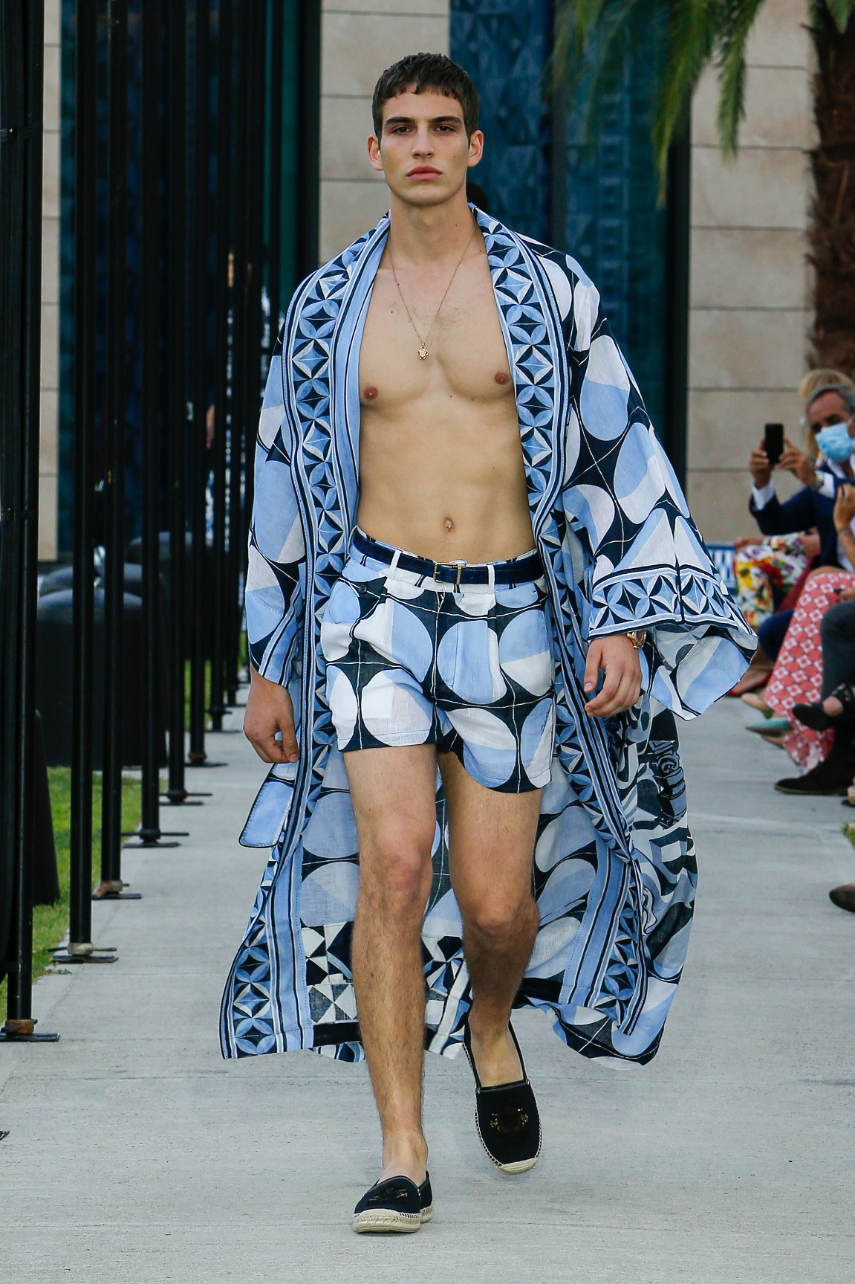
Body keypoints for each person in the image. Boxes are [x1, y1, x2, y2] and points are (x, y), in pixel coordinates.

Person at [222, 53, 754, 1233]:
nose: (421, 145)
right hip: (374, 610)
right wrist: (268, 660)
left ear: (472, 146)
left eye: (442, 126)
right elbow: (281, 484)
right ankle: (402, 1153)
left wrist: (622, 616)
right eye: (401, 127)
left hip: (511, 615)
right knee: (394, 866)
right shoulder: (327, 305)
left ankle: (491, 1020)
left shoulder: (548, 291)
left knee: (499, 905)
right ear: (374, 149)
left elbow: (618, 450)